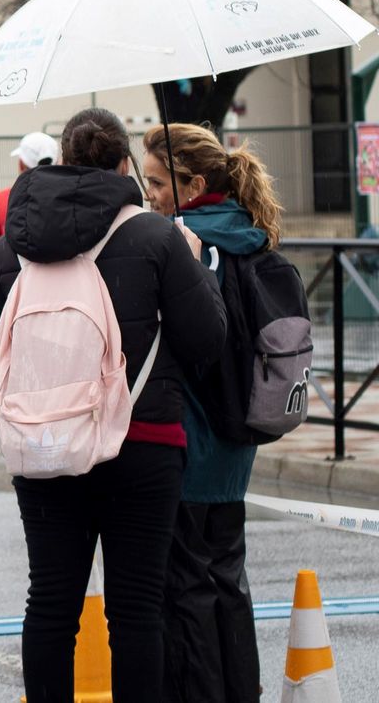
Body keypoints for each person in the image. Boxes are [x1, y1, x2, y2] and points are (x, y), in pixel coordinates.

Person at [0, 107, 226, 703]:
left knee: (51, 603)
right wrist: (193, 264)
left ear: (61, 159)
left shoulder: (15, 247)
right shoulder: (158, 237)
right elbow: (207, 342)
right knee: (135, 610)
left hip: (46, 443)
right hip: (144, 444)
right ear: (122, 164)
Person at [143, 125, 292, 703]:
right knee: (229, 583)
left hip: (191, 438)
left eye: (157, 183)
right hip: (238, 439)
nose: (150, 193)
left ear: (193, 184)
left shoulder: (184, 242)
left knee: (187, 593)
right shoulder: (250, 235)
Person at [0, 131, 59, 274]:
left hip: (12, 286)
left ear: (20, 164)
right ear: (56, 163)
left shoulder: (0, 201)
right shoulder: (66, 199)